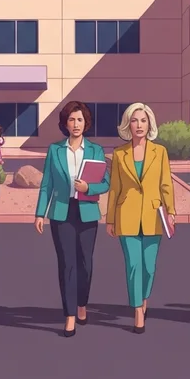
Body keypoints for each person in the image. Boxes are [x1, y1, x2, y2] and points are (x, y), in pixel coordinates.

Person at [34, 101, 110, 337]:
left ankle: (82, 303)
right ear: (64, 123)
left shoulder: (96, 150)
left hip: (86, 210)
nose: (76, 124)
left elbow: (106, 183)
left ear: (86, 122)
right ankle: (69, 316)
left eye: (80, 120)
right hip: (61, 212)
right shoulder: (55, 150)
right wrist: (40, 212)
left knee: (85, 263)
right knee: (67, 264)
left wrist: (89, 187)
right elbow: (46, 183)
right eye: (71, 120)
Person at [105, 102, 175, 334]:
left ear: (150, 124)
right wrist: (110, 219)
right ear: (128, 124)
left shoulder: (160, 152)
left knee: (149, 267)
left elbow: (166, 184)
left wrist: (171, 212)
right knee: (134, 265)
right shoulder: (118, 153)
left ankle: (144, 298)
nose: (139, 125)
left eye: (143, 120)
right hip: (126, 216)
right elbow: (114, 188)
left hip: (154, 216)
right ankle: (137, 311)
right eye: (134, 120)